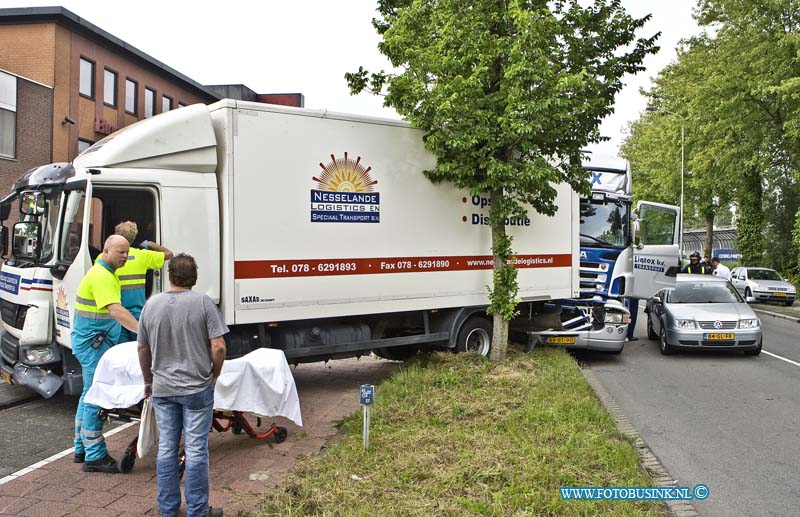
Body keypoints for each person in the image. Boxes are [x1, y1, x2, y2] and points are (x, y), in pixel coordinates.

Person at [137, 254, 228, 517]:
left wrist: (148, 380)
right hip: (197, 388)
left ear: (169, 275)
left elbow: (142, 348)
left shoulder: (151, 305)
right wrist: (215, 374)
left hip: (164, 389)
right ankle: (198, 510)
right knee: (196, 448)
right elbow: (219, 346)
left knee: (167, 447)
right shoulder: (204, 304)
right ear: (194, 277)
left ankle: (168, 509)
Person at [72, 235, 139, 473]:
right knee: (96, 395)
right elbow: (116, 310)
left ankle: (80, 447)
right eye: (120, 252)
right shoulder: (102, 276)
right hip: (94, 345)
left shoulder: (104, 272)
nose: (125, 256)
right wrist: (143, 332)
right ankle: (95, 455)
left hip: (90, 342)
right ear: (106, 251)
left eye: (127, 252)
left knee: (87, 393)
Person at [107, 221, 173, 342]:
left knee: (122, 351)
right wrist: (149, 243)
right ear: (134, 237)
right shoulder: (143, 255)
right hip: (138, 314)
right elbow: (169, 254)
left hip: (117, 314)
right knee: (138, 349)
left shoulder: (106, 257)